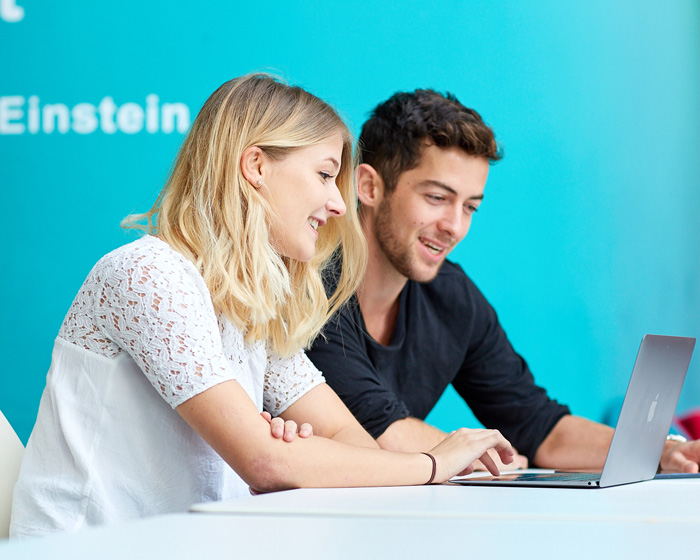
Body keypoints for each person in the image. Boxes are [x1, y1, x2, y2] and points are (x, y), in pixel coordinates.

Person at [10, 76, 515, 538]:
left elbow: (343, 437)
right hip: (86, 549)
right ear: (255, 166)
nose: (339, 206)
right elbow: (266, 462)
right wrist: (433, 464)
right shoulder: (148, 274)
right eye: (323, 175)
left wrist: (306, 455)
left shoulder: (252, 309)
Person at [306, 88, 700, 473]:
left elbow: (538, 425)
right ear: (369, 186)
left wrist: (663, 451)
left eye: (470, 207)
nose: (454, 227)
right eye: (437, 198)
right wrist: (489, 458)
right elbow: (377, 432)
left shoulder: (451, 297)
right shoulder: (309, 285)